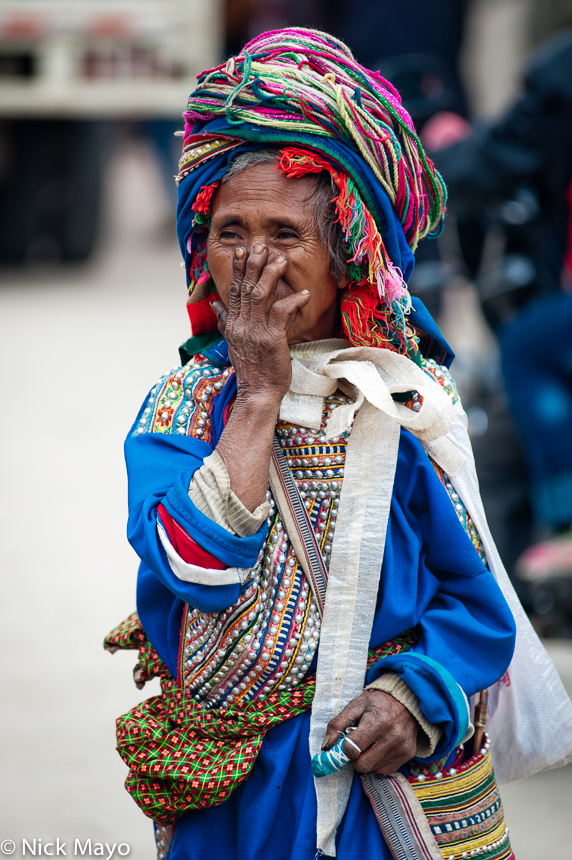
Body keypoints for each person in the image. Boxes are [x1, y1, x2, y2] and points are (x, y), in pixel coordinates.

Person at [105, 28, 572, 860]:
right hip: (236, 803)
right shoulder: (183, 407)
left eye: (286, 235)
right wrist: (258, 393)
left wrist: (410, 698)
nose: (254, 264)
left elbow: (474, 607)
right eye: (229, 232)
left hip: (372, 800)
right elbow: (195, 567)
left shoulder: (400, 405)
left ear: (349, 255)